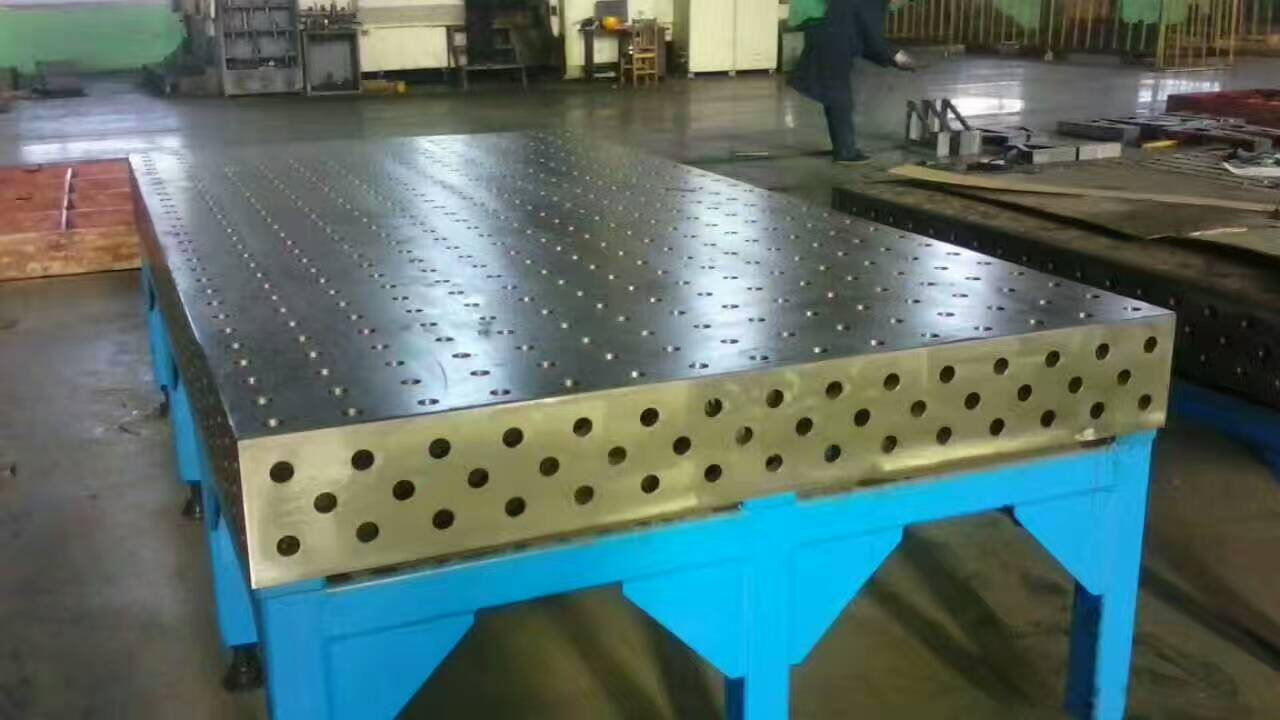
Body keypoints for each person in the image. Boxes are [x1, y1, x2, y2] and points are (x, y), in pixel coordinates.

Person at [788, 0, 916, 164]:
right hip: (828, 26)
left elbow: (864, 39)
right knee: (838, 92)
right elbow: (873, 39)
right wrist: (896, 57)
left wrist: (891, 58)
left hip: (822, 20)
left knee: (835, 93)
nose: (901, 5)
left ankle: (843, 148)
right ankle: (845, 152)